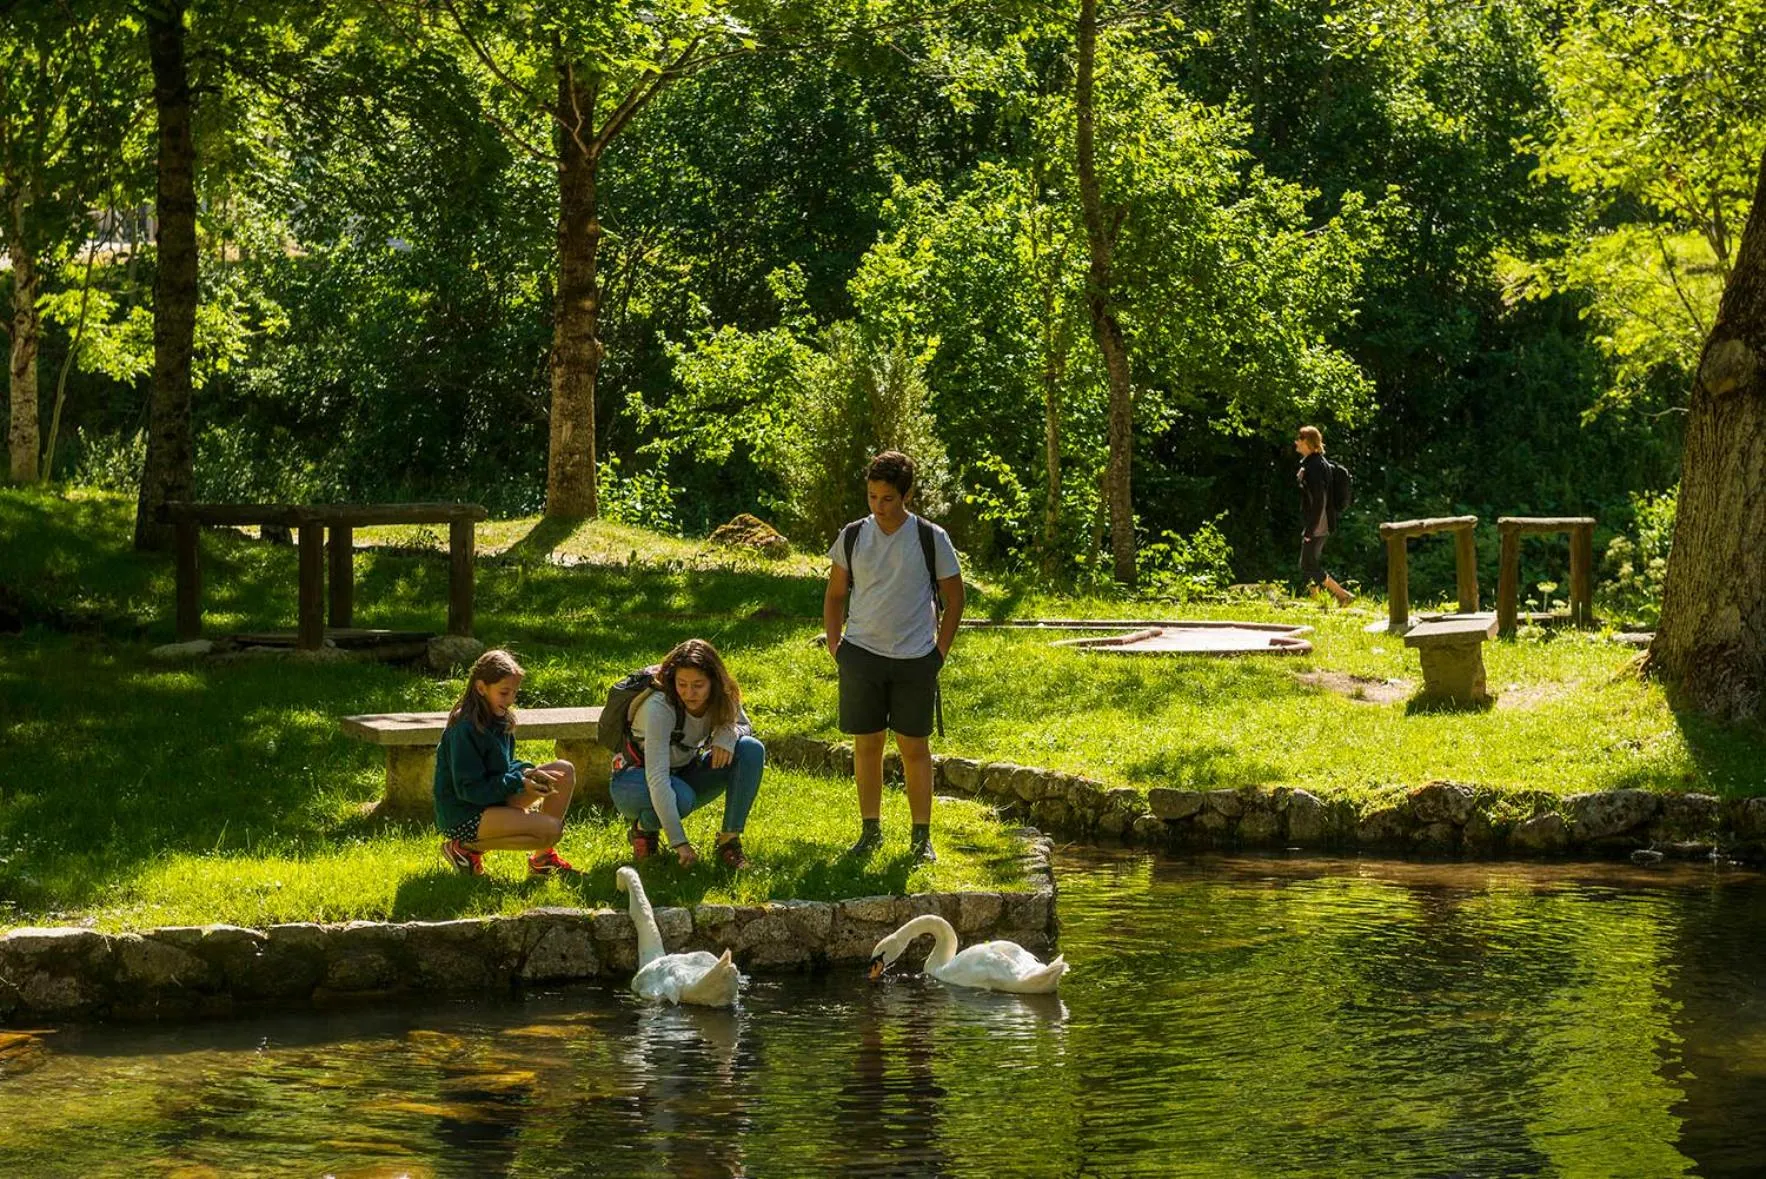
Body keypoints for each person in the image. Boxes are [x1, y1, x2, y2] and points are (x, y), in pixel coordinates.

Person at [823, 450, 964, 863]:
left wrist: (939, 652)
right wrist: (837, 648)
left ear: (906, 495)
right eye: (871, 497)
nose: (879, 506)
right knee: (866, 746)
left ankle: (922, 838)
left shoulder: (929, 537)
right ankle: (870, 832)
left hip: (916, 657)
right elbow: (834, 596)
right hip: (861, 654)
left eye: (887, 498)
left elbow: (955, 600)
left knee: (914, 748)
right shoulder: (852, 535)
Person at [611, 638, 765, 870]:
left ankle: (728, 840)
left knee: (751, 749)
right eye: (682, 684)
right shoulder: (659, 707)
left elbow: (744, 725)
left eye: (698, 685)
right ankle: (644, 829)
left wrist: (726, 735)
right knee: (681, 798)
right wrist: (680, 843)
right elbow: (657, 779)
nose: (689, 693)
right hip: (633, 781)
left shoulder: (724, 695)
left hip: (683, 772)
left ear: (714, 681)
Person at [435, 649, 578, 877]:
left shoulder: (500, 718)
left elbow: (503, 767)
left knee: (564, 771)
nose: (510, 700)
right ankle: (464, 848)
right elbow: (469, 790)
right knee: (552, 830)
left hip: (492, 797)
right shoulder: (464, 729)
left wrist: (527, 772)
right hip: (466, 813)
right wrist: (518, 782)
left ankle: (542, 861)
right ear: (481, 688)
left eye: (514, 693)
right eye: (504, 693)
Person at [1295, 425, 1354, 607]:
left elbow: (1320, 500)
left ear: (1307, 442)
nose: (1296, 442)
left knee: (1307, 565)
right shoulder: (1315, 462)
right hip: (1321, 521)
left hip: (1319, 522)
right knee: (1309, 564)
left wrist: (1311, 529)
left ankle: (1343, 595)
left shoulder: (1314, 466)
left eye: (1299, 438)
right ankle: (1317, 602)